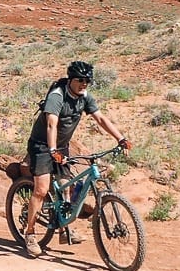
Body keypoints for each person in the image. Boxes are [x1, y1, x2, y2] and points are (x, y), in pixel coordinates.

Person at [24, 61, 131, 258]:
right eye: (80, 80)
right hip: (42, 145)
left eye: (87, 81)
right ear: (71, 80)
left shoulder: (84, 97)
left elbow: (101, 119)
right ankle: (30, 234)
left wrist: (120, 138)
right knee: (41, 190)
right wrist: (52, 150)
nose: (84, 84)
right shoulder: (57, 96)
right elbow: (51, 125)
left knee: (67, 187)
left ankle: (64, 230)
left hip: (60, 146)